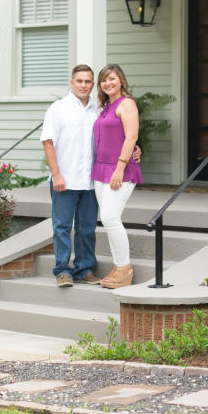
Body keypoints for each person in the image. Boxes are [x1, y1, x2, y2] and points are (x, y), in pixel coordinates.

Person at [41, 64, 103, 287]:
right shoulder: (58, 109)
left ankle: (85, 269)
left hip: (90, 181)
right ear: (72, 82)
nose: (84, 85)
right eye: (80, 81)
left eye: (88, 82)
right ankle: (63, 271)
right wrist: (56, 175)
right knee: (62, 227)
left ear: (92, 84)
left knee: (87, 227)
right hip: (64, 180)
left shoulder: (98, 111)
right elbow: (48, 142)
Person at [91, 63, 142, 289]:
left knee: (111, 217)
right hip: (101, 169)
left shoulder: (127, 103)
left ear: (120, 79)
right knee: (107, 219)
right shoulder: (105, 107)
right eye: (103, 80)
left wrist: (120, 167)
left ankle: (125, 268)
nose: (107, 83)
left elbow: (131, 137)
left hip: (120, 170)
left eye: (111, 78)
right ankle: (117, 266)